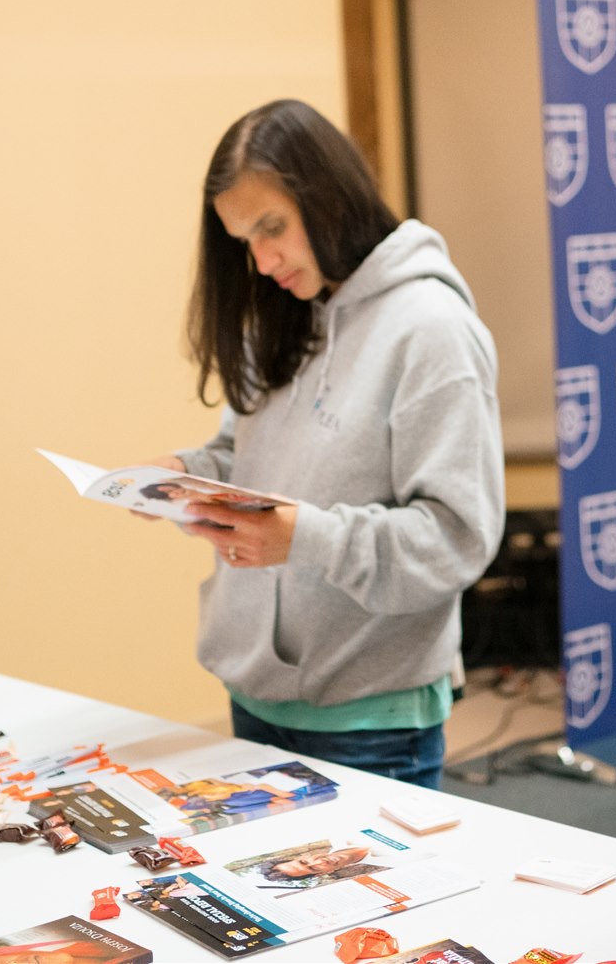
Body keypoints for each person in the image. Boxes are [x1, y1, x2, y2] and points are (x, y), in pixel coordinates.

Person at [150, 99, 503, 789]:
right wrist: (182, 474)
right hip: (255, 694)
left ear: (329, 196)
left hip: (371, 722)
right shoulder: (286, 314)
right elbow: (247, 453)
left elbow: (457, 537)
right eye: (243, 240)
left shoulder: (430, 329)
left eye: (272, 228)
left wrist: (303, 538)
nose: (262, 260)